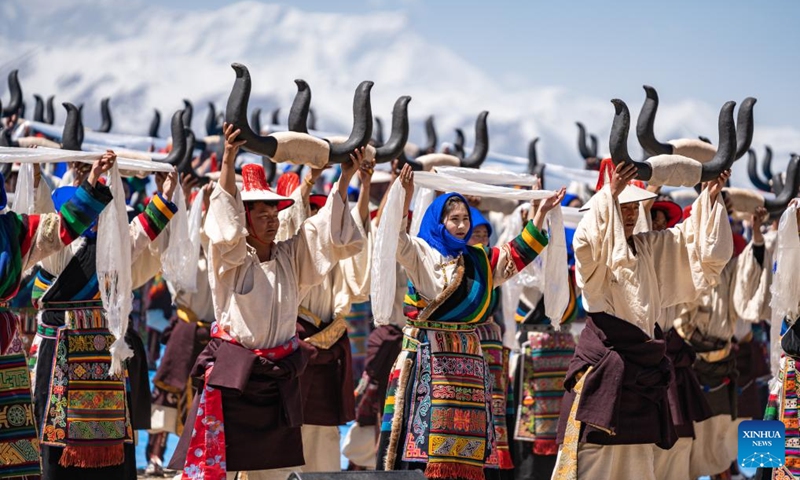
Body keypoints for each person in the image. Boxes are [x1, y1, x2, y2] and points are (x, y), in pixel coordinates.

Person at [168, 123, 365, 480]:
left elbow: (323, 231)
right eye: (262, 214)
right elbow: (224, 221)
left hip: (278, 374)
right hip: (233, 372)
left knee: (276, 471)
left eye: (275, 213)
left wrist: (344, 178)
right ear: (245, 219)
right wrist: (228, 160)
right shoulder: (230, 259)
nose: (272, 220)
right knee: (220, 468)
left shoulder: (292, 256)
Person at [377, 164, 565, 480]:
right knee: (423, 445)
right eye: (455, 219)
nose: (463, 225)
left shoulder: (478, 260)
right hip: (429, 360)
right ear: (440, 222)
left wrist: (541, 213)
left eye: (466, 219)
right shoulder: (421, 252)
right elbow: (394, 236)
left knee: (466, 446)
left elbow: (516, 255)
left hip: (469, 363)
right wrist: (405, 196)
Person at [552, 160, 733, 480]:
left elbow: (689, 242)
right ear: (605, 210)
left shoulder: (649, 247)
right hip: (606, 369)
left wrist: (709, 197)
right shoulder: (594, 254)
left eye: (635, 207)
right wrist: (611, 194)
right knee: (597, 460)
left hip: (644, 370)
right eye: (623, 207)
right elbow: (585, 242)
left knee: (640, 463)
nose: (632, 213)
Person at [0, 155, 114, 479]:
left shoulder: (11, 229)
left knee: (10, 450)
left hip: (3, 349)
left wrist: (92, 180)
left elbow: (58, 228)